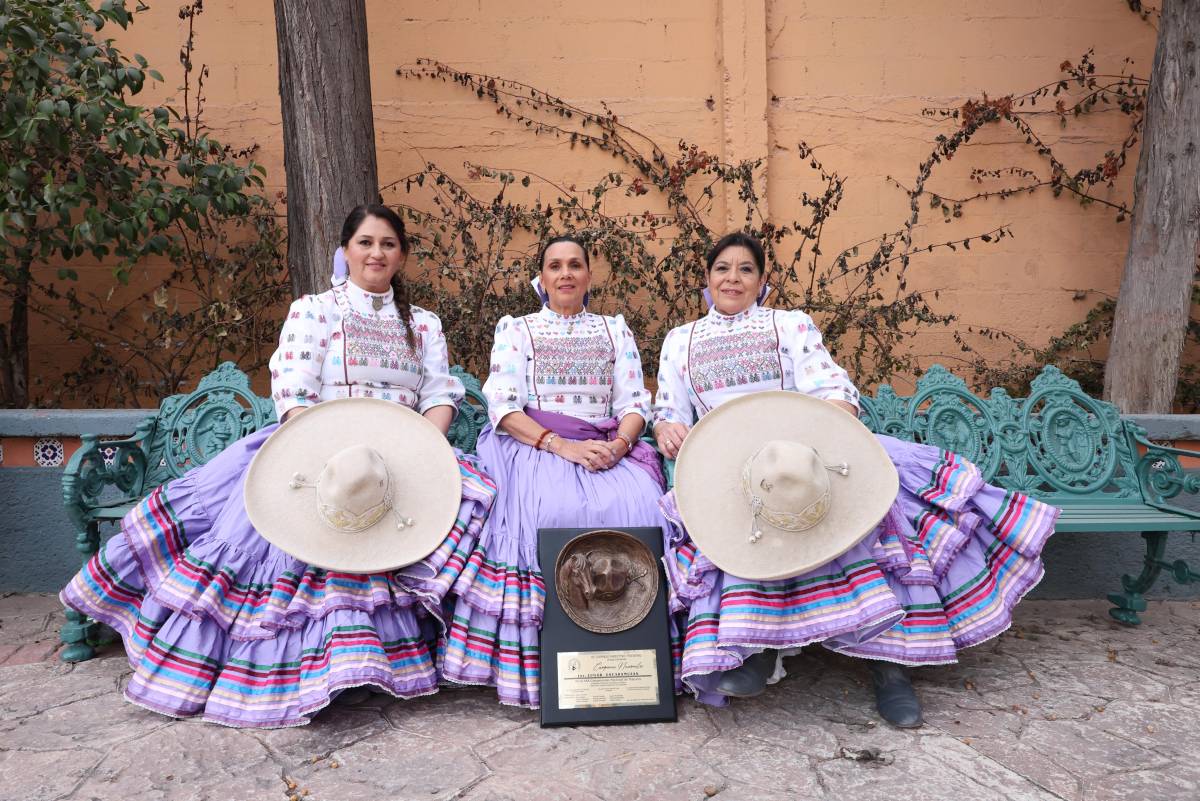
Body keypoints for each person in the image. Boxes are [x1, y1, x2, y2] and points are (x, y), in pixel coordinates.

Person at [59, 204, 495, 728]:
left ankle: (397, 657)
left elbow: (438, 391)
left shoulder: (423, 323)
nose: (376, 253)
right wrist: (324, 451)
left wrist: (424, 448)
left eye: (388, 244)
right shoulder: (315, 310)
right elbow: (293, 385)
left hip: (402, 454)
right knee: (301, 538)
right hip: (318, 448)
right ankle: (310, 667)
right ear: (346, 251)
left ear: (401, 255)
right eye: (365, 242)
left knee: (472, 505)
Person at [652, 232, 1059, 727]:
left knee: (870, 518)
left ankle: (891, 667)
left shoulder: (789, 325)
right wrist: (668, 423)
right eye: (722, 268)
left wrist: (816, 442)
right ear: (706, 279)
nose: (732, 278)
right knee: (740, 526)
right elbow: (669, 407)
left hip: (809, 452)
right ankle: (759, 647)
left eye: (745, 270)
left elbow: (831, 388)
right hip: (734, 469)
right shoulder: (681, 340)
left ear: (762, 282)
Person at [440, 235, 667, 708]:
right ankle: (546, 665)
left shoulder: (613, 330)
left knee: (644, 504)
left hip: (606, 443)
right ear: (540, 279)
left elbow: (633, 403)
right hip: (535, 444)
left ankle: (627, 656)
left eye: (575, 265)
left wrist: (621, 444)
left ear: (588, 276)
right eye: (555, 266)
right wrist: (560, 445)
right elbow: (503, 405)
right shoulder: (517, 330)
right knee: (552, 506)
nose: (565, 273)